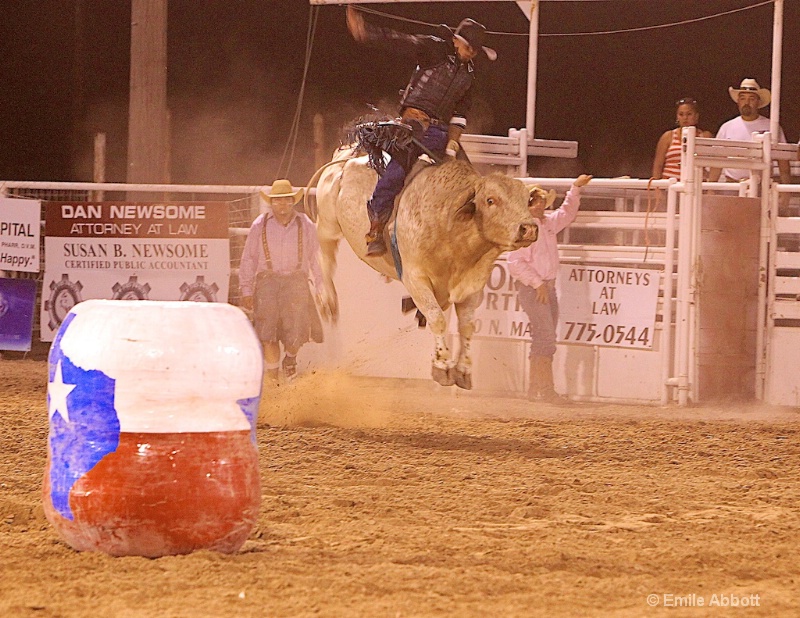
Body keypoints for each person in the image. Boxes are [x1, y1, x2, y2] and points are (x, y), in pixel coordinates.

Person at [346, 6, 496, 257]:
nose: (470, 54)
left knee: (470, 177)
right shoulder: (433, 49)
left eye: (474, 51)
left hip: (440, 131)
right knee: (398, 170)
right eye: (468, 48)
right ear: (456, 41)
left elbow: (460, 114)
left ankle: (467, 235)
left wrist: (453, 143)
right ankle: (376, 228)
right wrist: (365, 32)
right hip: (413, 124)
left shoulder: (468, 77)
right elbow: (399, 41)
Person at [507, 174, 593, 404]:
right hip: (536, 288)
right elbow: (514, 262)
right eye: (535, 201)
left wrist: (574, 189)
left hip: (544, 287)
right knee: (545, 338)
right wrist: (537, 284)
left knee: (543, 338)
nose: (540, 204)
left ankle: (536, 390)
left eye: (541, 200)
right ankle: (544, 390)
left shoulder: (546, 224)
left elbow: (566, 213)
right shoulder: (526, 228)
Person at [239, 179, 324, 383]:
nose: (282, 205)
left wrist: (321, 287)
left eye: (286, 200)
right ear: (272, 203)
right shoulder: (260, 225)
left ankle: (290, 359)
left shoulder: (305, 224)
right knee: (267, 332)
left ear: (292, 202)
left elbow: (315, 257)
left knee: (296, 331)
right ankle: (272, 378)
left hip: (296, 282)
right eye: (277, 201)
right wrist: (247, 290)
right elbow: (249, 257)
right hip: (267, 281)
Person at [708, 78, 791, 185]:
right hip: (732, 186)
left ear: (758, 102)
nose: (746, 103)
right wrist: (711, 188)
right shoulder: (727, 127)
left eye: (751, 99)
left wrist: (786, 191)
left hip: (761, 187)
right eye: (743, 98)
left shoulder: (771, 127)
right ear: (738, 101)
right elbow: (717, 160)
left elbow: (783, 161)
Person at [652, 98, 713, 179]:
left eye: (689, 114)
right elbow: (658, 165)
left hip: (696, 186)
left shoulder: (705, 136)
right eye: (681, 114)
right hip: (669, 186)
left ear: (696, 116)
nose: (685, 118)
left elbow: (713, 164)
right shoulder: (668, 136)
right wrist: (657, 189)